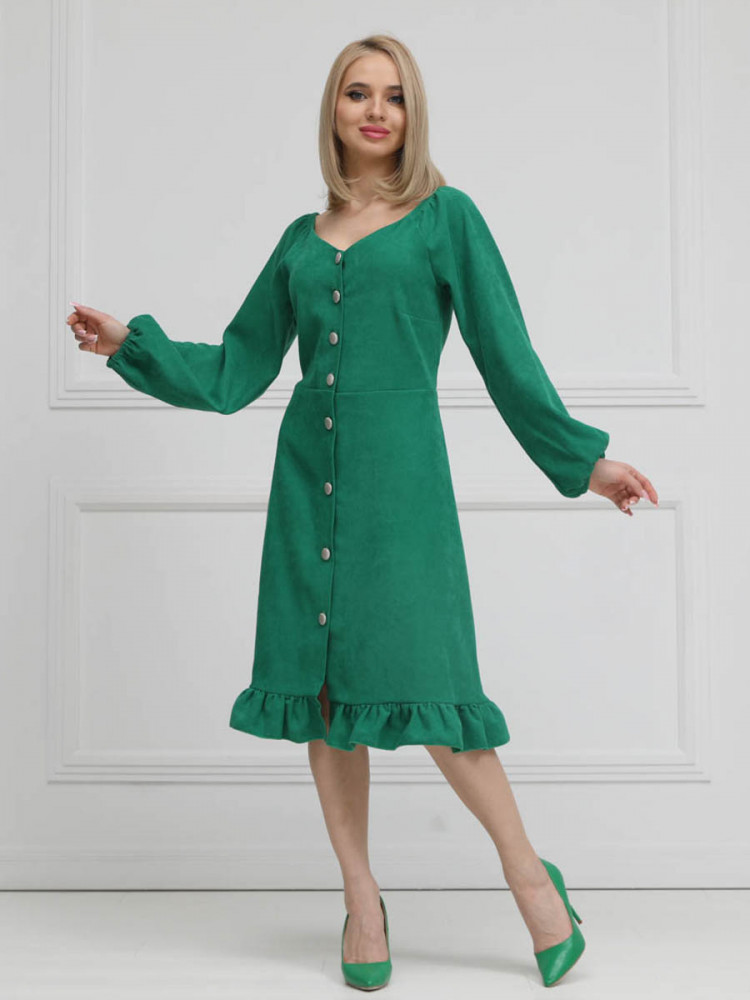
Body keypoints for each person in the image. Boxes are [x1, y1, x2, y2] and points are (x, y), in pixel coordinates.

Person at [65, 34, 657, 992]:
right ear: (333, 112)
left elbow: (507, 354)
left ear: (412, 113)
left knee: (438, 693)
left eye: (393, 95)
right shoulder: (299, 240)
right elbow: (236, 369)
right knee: (327, 699)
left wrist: (585, 463)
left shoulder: (447, 218)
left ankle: (528, 876)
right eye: (357, 93)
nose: (376, 111)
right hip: (309, 488)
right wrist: (132, 343)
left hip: (403, 489)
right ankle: (361, 898)